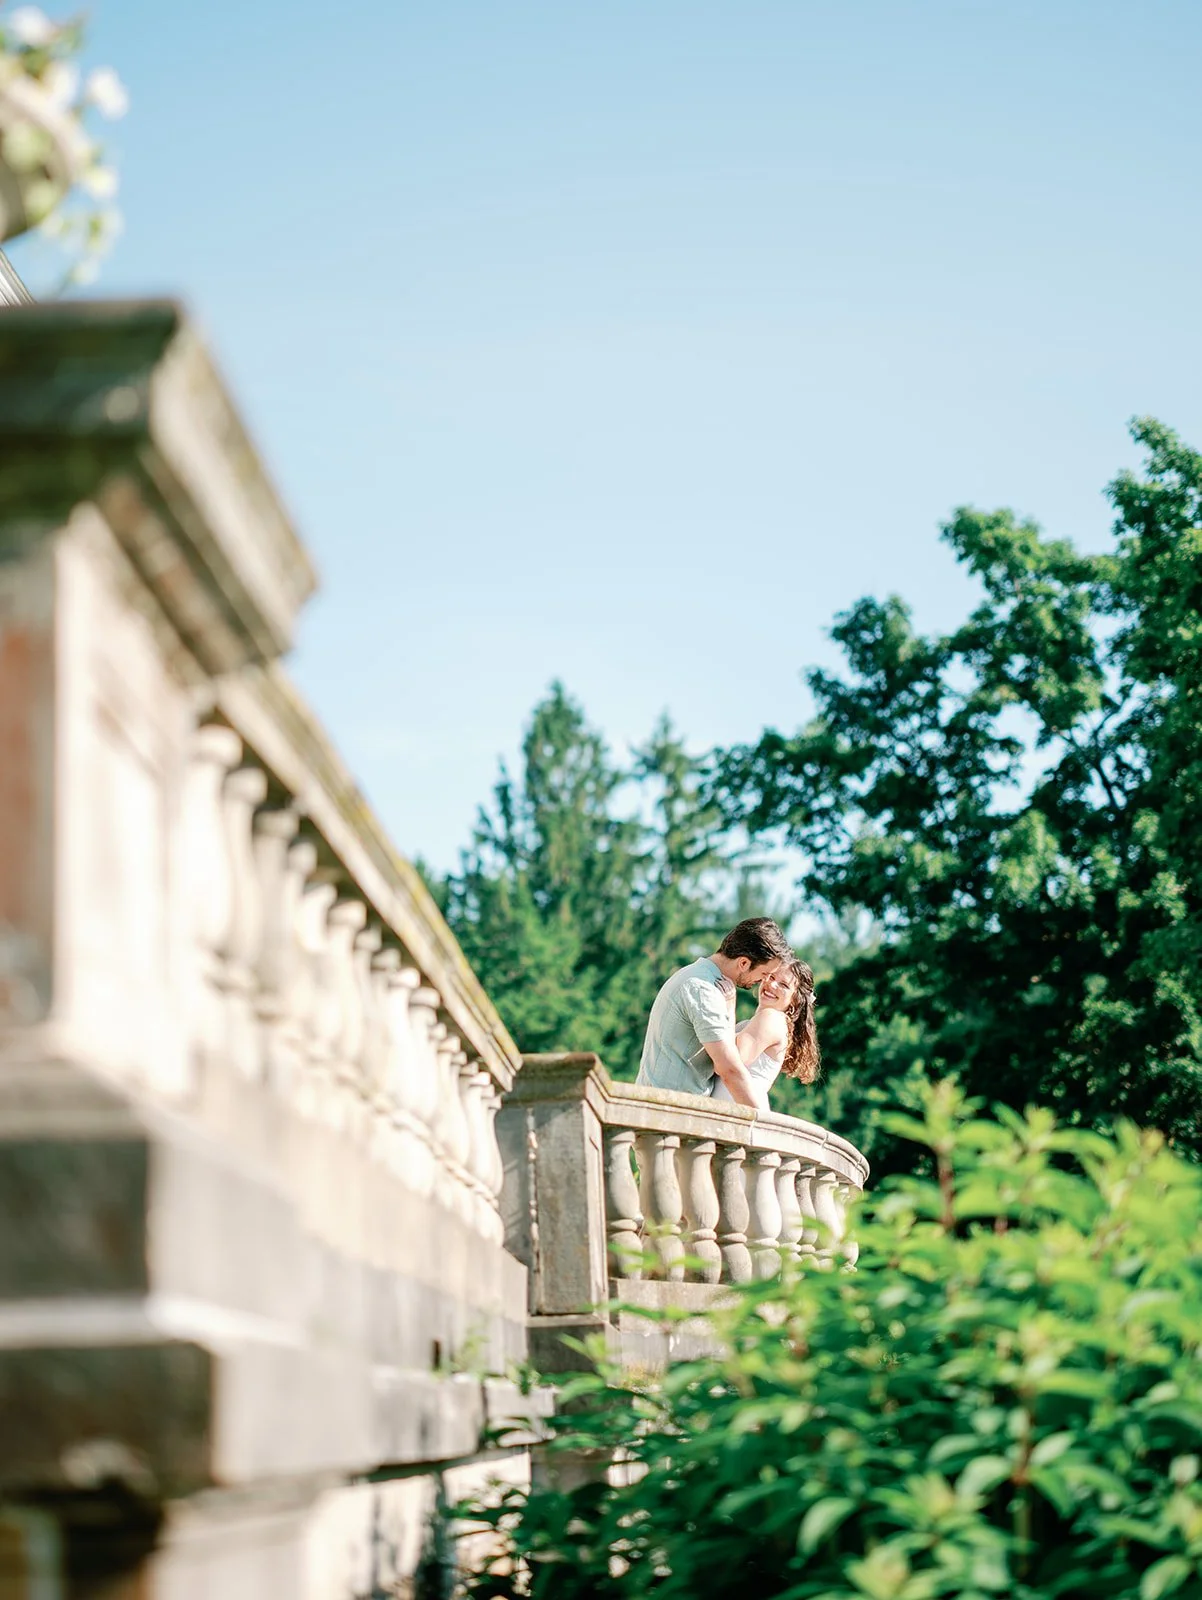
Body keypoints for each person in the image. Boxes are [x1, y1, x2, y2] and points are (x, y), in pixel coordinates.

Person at [635, 918, 791, 1106]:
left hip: (666, 1109)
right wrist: (760, 1122)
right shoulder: (704, 989)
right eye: (765, 974)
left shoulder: (695, 975)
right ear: (743, 963)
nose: (763, 980)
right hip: (669, 1115)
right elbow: (729, 1070)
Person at [711, 956, 821, 1111]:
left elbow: (729, 1061)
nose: (771, 984)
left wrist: (729, 1006)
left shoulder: (771, 1018)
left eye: (783, 985)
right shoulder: (755, 1023)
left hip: (737, 1116)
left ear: (795, 1001)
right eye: (771, 976)